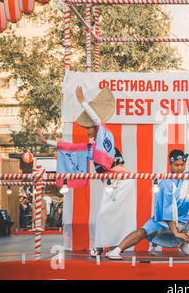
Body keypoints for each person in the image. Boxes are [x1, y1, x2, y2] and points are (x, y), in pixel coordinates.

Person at [37, 86, 137, 258]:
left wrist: (83, 102)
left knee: (116, 215)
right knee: (106, 214)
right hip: (111, 183)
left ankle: (107, 248)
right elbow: (70, 147)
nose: (87, 130)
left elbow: (97, 121)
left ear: (96, 127)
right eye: (86, 128)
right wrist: (47, 142)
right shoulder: (91, 148)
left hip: (122, 179)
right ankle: (106, 247)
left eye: (89, 127)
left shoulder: (106, 134)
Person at [106, 130, 189, 260]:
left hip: (183, 218)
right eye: (176, 165)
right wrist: (175, 232)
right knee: (142, 232)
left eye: (182, 165)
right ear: (170, 164)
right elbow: (168, 210)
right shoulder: (165, 183)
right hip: (163, 220)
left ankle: (183, 242)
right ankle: (116, 250)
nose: (180, 168)